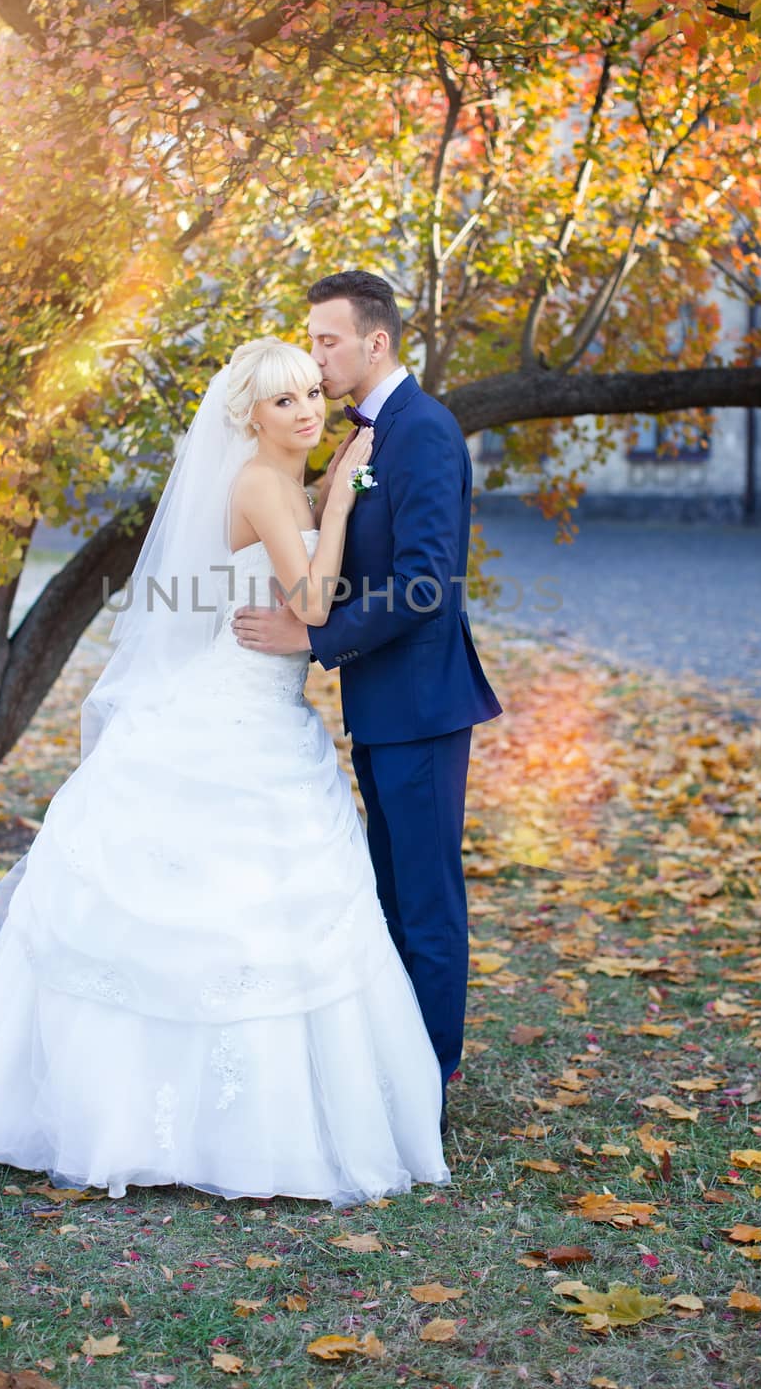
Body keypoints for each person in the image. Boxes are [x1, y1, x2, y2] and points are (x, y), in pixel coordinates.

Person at [0, 337, 451, 1208]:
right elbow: (310, 604)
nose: (309, 410)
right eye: (284, 402)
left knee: (256, 913)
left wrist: (327, 494)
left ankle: (254, 1118)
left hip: (267, 712)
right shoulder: (258, 484)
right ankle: (165, 1124)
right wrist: (343, 510)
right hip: (232, 716)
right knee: (220, 913)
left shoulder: (282, 484)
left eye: (313, 391)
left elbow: (290, 552)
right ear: (249, 415)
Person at [233, 272, 503, 1136]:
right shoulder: (362, 437)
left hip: (422, 703)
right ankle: (394, 1065)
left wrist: (313, 641)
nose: (316, 356)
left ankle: (430, 1077)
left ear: (374, 342)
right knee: (387, 892)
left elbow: (426, 584)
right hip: (382, 705)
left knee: (424, 897)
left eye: (326, 342)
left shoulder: (422, 433)